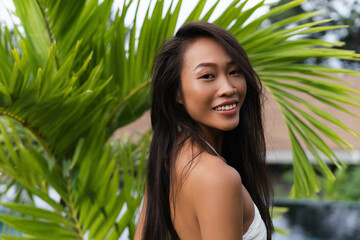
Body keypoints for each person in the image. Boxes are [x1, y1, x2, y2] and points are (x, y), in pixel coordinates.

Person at [134, 21, 273, 240]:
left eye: (235, 71)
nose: (228, 88)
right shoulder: (218, 177)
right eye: (207, 76)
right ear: (176, 92)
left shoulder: (167, 159)